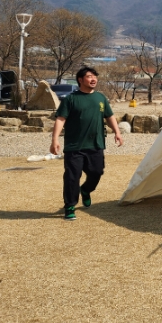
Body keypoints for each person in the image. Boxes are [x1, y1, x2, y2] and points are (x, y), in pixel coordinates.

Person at [50, 66, 124, 220]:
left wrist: (117, 132)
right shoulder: (71, 99)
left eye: (95, 76)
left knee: (97, 172)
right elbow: (60, 119)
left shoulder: (100, 98)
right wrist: (55, 139)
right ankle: (70, 206)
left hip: (96, 144)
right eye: (89, 76)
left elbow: (109, 116)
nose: (93, 79)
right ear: (80, 80)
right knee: (72, 176)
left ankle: (86, 189)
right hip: (74, 146)